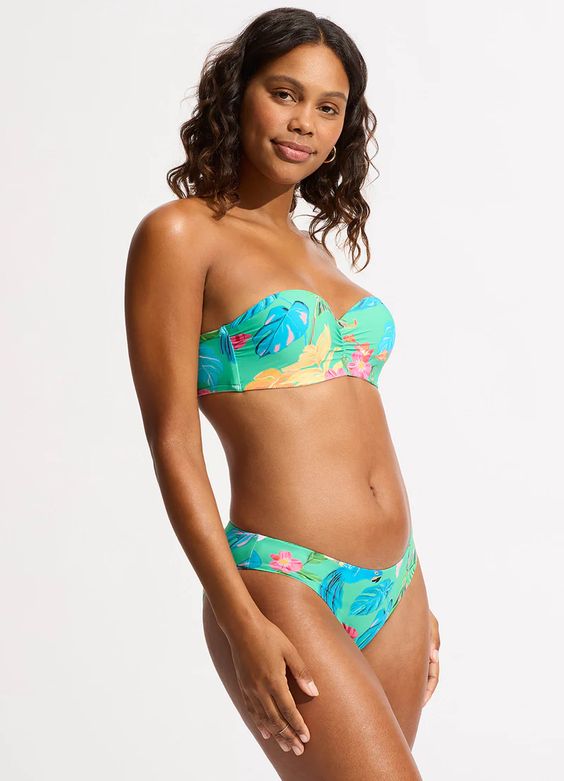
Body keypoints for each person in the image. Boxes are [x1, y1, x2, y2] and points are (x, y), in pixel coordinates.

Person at [124, 7, 440, 779]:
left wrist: (417, 590)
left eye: (329, 107)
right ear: (239, 93)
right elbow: (173, 442)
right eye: (285, 94)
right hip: (282, 579)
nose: (305, 123)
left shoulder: (320, 255)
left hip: (397, 583)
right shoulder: (181, 234)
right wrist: (239, 617)